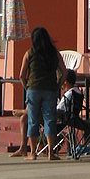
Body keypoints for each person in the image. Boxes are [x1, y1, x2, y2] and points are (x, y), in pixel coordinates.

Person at [17, 26, 66, 161]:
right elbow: (64, 72)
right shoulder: (54, 53)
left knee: (33, 120)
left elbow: (21, 75)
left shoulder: (29, 53)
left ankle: (32, 153)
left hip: (33, 89)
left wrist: (27, 88)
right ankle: (51, 152)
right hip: (50, 89)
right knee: (50, 120)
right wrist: (58, 85)